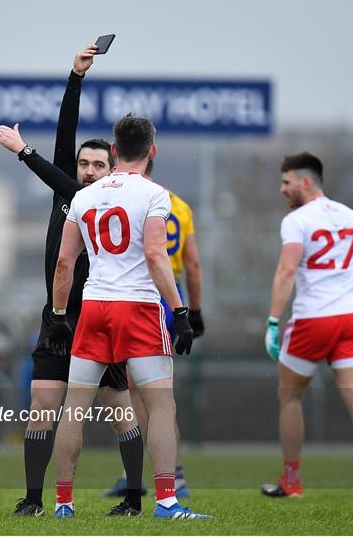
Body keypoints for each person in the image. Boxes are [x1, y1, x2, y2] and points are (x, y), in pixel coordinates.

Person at [0, 47, 145, 517]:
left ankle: (134, 499)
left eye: (99, 165)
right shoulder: (66, 193)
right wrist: (75, 78)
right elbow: (64, 134)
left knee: (119, 410)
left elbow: (51, 166)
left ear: (111, 169)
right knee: (42, 404)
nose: (89, 171)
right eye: (83, 164)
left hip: (99, 315)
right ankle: (34, 500)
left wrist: (23, 152)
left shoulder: (94, 200)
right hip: (57, 318)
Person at [49, 114, 211, 520]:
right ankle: (167, 503)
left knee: (75, 409)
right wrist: (180, 310)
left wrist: (57, 314)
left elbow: (65, 262)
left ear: (115, 151)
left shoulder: (85, 197)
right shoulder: (156, 195)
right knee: (160, 407)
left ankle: (63, 505)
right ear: (152, 151)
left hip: (94, 307)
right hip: (137, 307)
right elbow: (157, 256)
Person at [262, 152, 353, 500]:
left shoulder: (297, 220)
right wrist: (349, 302)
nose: (282, 189)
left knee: (290, 396)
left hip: (312, 319)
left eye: (286, 182)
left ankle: (292, 480)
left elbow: (287, 271)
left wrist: (273, 320)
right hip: (350, 318)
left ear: (305, 182)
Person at [103, 158, 204, 498]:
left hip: (146, 293)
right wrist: (195, 309)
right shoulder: (180, 205)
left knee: (139, 391)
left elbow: (150, 254)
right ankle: (159, 474)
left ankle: (160, 475)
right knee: (152, 392)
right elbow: (192, 263)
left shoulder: (134, 197)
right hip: (168, 292)